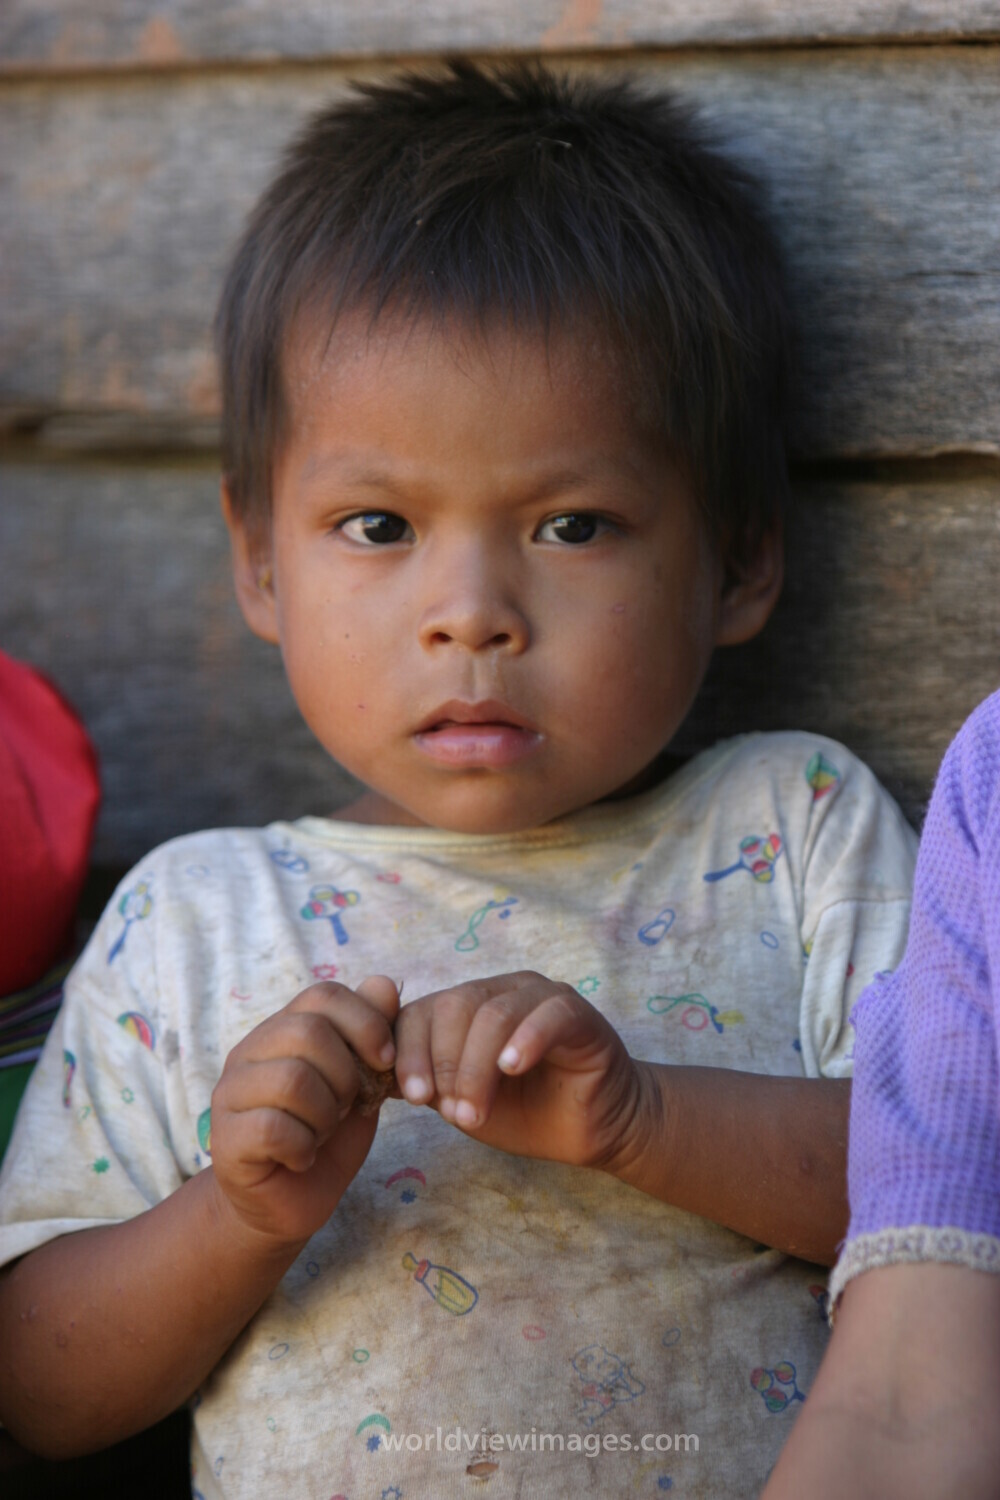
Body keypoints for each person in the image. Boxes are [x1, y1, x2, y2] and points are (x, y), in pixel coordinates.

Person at [0, 63, 918, 1498]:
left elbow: (948, 1199)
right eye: (379, 524)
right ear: (258, 559)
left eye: (571, 524)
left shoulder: (792, 827)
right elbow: (38, 1391)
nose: (472, 612)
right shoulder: (199, 918)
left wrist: (643, 1124)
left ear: (738, 557)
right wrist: (237, 1217)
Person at [762, 692, 1000, 1500]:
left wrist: (637, 1119)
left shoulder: (806, 807)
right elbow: (904, 1417)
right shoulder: (994, 774)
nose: (472, 618)